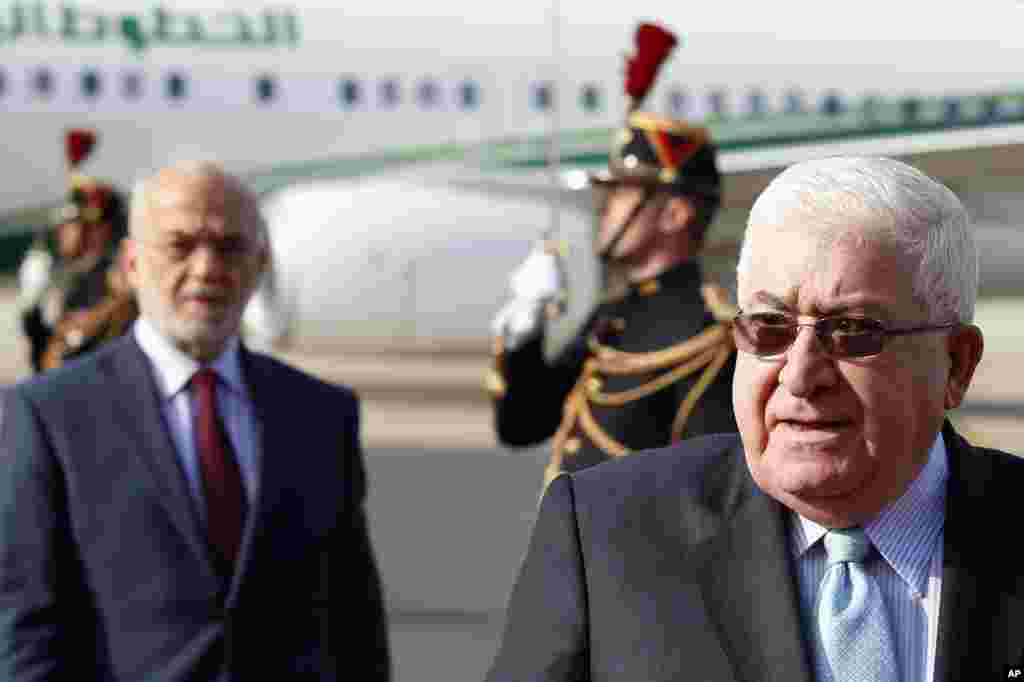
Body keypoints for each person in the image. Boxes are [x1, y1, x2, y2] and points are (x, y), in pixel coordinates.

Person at [485, 156, 1017, 681]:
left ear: (956, 363)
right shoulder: (604, 537)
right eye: (769, 327)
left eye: (853, 329)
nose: (801, 375)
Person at [0, 160, 390, 679]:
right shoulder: (50, 416)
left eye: (230, 247)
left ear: (261, 263)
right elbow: (26, 631)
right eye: (179, 246)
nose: (206, 269)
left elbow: (355, 628)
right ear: (133, 264)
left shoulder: (320, 417)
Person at [488, 22, 737, 489]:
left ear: (675, 214)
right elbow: (521, 426)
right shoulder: (615, 316)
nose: (605, 208)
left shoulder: (706, 337)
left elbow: (709, 503)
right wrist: (526, 330)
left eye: (623, 193)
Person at [18, 129, 137, 373]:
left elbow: (77, 348)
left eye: (73, 224)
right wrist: (31, 312)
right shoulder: (69, 275)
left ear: (97, 229)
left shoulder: (115, 279)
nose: (63, 232)